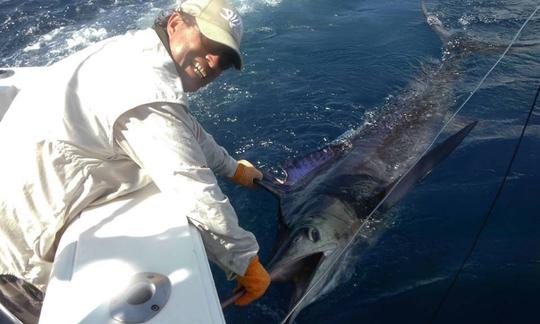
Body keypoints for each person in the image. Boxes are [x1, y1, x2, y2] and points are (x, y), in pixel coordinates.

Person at [0, 0, 270, 321]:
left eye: (224, 60)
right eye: (209, 43)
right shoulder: (147, 92)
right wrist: (246, 261)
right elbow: (194, 192)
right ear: (175, 23)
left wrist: (232, 168)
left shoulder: (135, 51)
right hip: (18, 265)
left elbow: (184, 128)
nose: (213, 62)